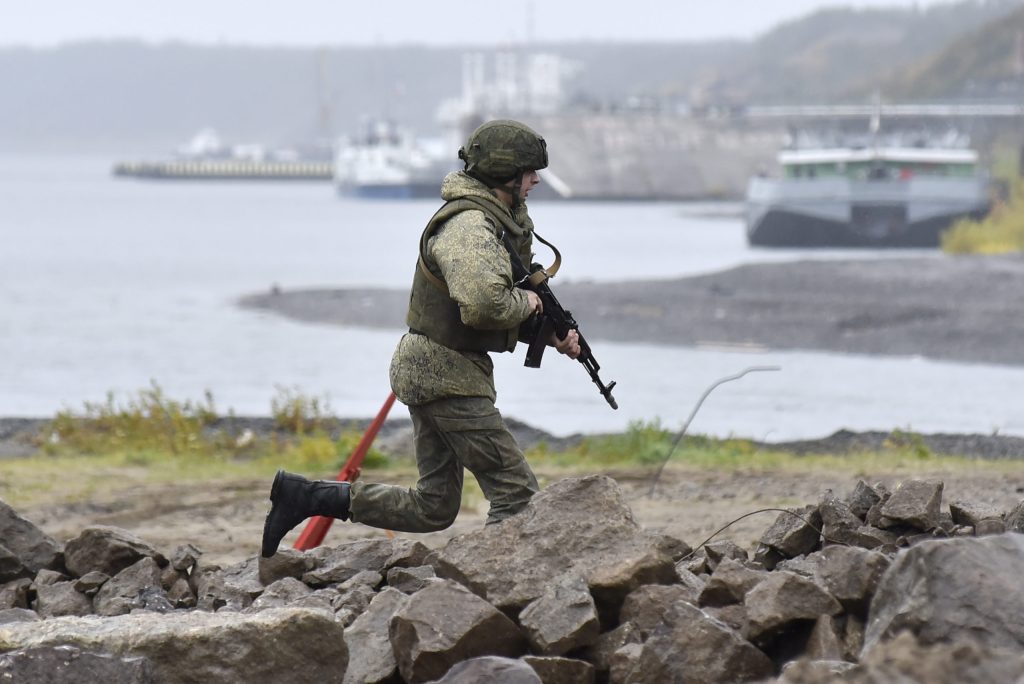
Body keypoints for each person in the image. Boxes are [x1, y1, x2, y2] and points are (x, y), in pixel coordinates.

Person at [261, 119, 580, 558]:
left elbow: (478, 308)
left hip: (435, 370)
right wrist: (530, 306)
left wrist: (548, 332)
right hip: (447, 377)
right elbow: (484, 305)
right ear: (505, 172)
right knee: (517, 494)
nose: (536, 180)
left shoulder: (491, 222)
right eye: (529, 171)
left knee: (434, 507)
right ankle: (501, 584)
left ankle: (307, 497)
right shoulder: (470, 227)